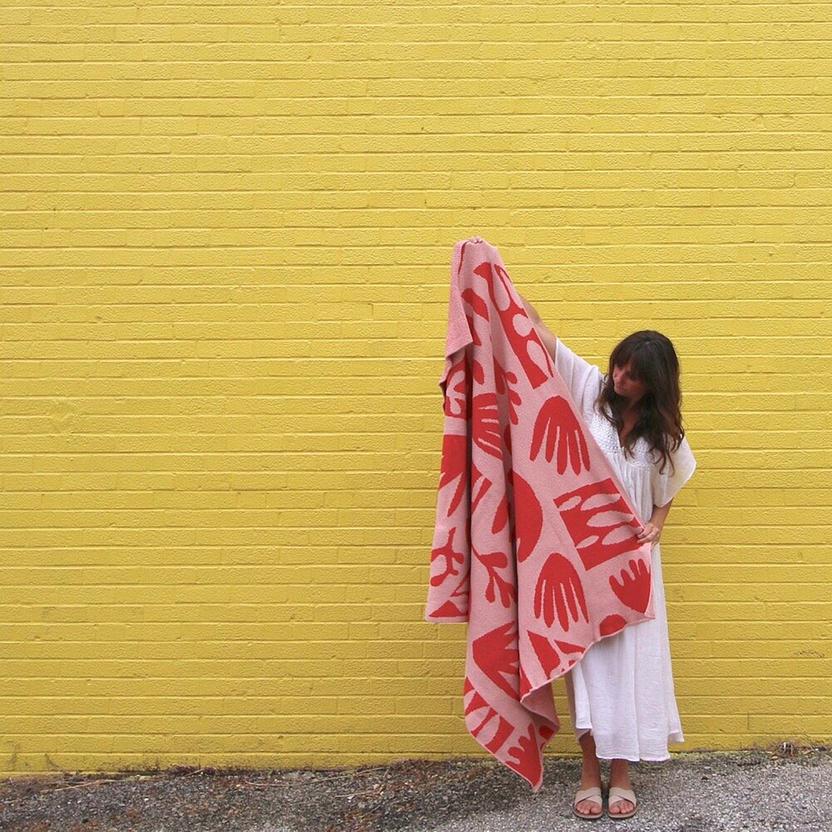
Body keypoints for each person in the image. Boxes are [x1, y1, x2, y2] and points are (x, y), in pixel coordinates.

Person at [521, 296, 698, 820]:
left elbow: (670, 483)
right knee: (589, 668)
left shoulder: (663, 433)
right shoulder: (588, 391)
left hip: (635, 568)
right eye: (619, 364)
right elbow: (541, 333)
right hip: (584, 564)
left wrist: (658, 524)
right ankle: (590, 773)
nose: (620, 376)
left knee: (633, 669)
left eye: (633, 374)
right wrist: (495, 273)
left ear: (655, 383)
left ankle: (622, 775)